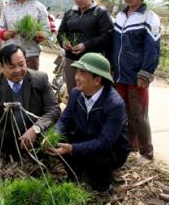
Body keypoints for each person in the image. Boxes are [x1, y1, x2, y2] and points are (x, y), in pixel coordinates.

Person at [47, 53, 129, 192]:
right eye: (77, 72)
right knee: (58, 141)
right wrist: (54, 134)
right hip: (87, 137)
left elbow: (104, 142)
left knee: (98, 160)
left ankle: (103, 185)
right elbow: (65, 119)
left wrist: (73, 148)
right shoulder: (75, 93)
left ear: (97, 80)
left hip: (110, 149)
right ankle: (75, 174)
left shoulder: (114, 104)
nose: (76, 77)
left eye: (82, 73)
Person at [0, 44, 61, 165]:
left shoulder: (40, 78)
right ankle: (15, 151)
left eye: (22, 64)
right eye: (11, 67)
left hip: (37, 129)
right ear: (1, 67)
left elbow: (54, 110)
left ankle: (29, 152)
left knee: (53, 140)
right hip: (10, 130)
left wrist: (35, 130)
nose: (18, 70)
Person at [110, 0, 161, 164]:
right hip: (120, 73)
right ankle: (130, 145)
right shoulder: (121, 16)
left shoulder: (150, 17)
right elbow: (115, 44)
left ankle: (147, 152)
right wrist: (111, 67)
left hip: (136, 74)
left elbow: (153, 47)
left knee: (139, 114)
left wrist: (145, 72)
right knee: (122, 111)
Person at [57, 0, 114, 94]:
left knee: (90, 93)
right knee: (73, 91)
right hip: (71, 60)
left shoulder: (101, 13)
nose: (78, 0)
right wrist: (64, 42)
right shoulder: (70, 13)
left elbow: (107, 36)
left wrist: (86, 45)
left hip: (91, 63)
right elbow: (61, 33)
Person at [0, 0, 50, 70]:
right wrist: (5, 34)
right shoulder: (7, 7)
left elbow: (46, 29)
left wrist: (37, 35)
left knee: (30, 81)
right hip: (11, 53)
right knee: (12, 80)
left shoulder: (39, 7)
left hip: (31, 53)